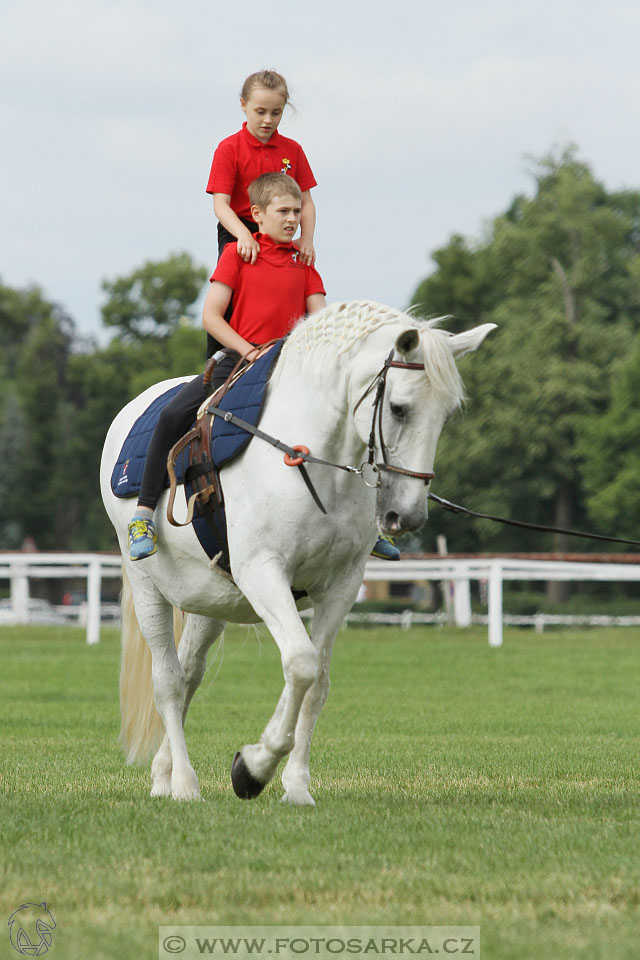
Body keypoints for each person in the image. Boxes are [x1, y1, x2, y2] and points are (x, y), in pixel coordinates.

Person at [127, 173, 325, 561]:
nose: (292, 219)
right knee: (171, 415)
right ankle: (143, 513)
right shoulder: (236, 254)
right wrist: (249, 351)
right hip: (237, 362)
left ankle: (367, 526)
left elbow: (320, 325)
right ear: (257, 214)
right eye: (283, 211)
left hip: (290, 368)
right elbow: (211, 317)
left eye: (297, 212)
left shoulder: (305, 265)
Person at [205, 69, 318, 359]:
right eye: (260, 112)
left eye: (276, 113)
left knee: (292, 290)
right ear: (243, 105)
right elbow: (221, 204)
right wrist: (243, 235)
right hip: (238, 227)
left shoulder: (292, 150)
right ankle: (219, 363)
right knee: (229, 297)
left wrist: (307, 238)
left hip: (282, 227)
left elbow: (305, 202)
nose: (268, 120)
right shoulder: (229, 148)